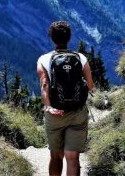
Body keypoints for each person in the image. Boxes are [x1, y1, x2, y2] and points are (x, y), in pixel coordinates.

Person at [37, 21, 94, 176]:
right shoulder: (81, 58)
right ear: (69, 37)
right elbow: (90, 85)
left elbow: (44, 85)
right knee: (72, 156)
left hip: (55, 113)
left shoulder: (43, 59)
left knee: (56, 156)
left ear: (51, 38)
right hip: (77, 113)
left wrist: (49, 107)